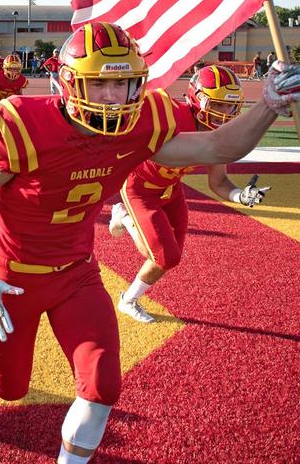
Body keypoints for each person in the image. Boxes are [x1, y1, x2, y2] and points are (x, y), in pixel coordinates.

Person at [0, 22, 300, 464]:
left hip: (77, 274)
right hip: (12, 281)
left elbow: (216, 147)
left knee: (102, 386)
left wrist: (269, 104)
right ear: (68, 81)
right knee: (10, 389)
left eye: (122, 82)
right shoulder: (24, 124)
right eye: (99, 83)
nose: (113, 95)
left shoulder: (143, 124)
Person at [108, 66, 267, 323]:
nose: (225, 114)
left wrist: (240, 195)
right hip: (140, 188)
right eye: (218, 105)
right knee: (164, 254)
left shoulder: (216, 133)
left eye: (230, 107)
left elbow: (219, 181)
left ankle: (128, 299)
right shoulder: (169, 115)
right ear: (198, 97)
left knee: (171, 259)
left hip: (171, 190)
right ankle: (124, 216)